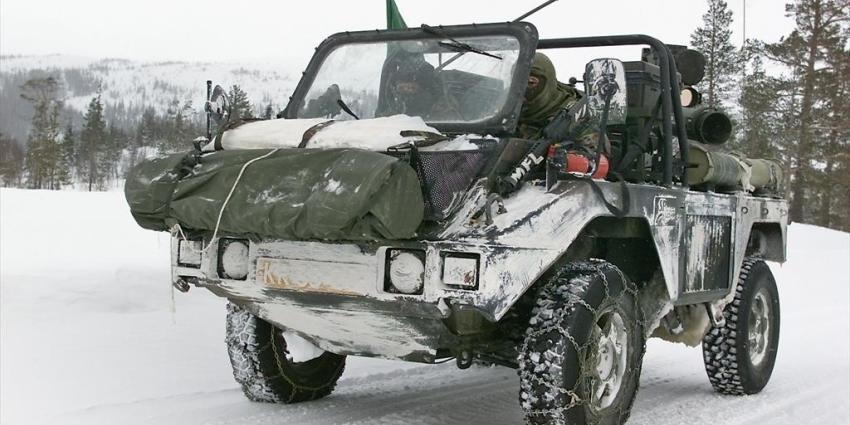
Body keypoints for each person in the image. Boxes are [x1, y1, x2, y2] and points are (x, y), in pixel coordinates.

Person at [518, 52, 600, 151]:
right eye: (515, 82)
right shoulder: (504, 114)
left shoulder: (576, 117)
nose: (520, 90)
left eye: (530, 83)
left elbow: (595, 160)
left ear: (548, 84)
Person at [376, 52, 459, 119]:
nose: (406, 92)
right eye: (401, 88)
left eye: (411, 88)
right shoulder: (389, 118)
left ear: (423, 89)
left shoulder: (443, 114)